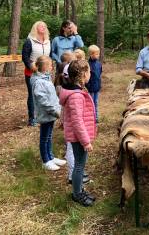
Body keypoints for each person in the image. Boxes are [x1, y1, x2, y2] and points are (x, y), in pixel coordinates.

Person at [59, 60, 97, 206]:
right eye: (88, 72)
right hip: (78, 138)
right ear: (82, 75)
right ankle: (77, 194)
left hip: (79, 136)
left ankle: (79, 189)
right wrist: (86, 141)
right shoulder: (76, 96)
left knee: (80, 164)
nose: (90, 74)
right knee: (79, 166)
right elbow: (77, 121)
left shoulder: (78, 91)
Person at [31, 56, 65, 171]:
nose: (52, 67)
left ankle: (51, 157)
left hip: (51, 113)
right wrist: (55, 111)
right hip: (46, 114)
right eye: (50, 65)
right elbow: (43, 101)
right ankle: (46, 160)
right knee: (44, 137)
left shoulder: (46, 78)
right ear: (45, 67)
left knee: (49, 136)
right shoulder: (39, 82)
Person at [22, 21, 51, 127]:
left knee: (45, 94)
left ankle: (43, 115)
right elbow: (24, 57)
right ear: (35, 28)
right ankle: (32, 118)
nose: (43, 27)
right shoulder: (29, 41)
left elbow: (49, 55)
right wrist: (31, 66)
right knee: (33, 95)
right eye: (40, 26)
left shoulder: (48, 41)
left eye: (44, 26)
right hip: (32, 73)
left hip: (45, 73)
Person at [86, 45, 102, 121]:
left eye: (98, 54)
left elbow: (99, 74)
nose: (98, 55)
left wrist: (99, 84)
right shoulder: (87, 64)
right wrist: (88, 86)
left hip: (97, 87)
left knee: (96, 102)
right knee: (91, 103)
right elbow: (86, 76)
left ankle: (96, 117)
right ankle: (91, 117)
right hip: (90, 88)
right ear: (91, 54)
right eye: (96, 54)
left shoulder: (99, 64)